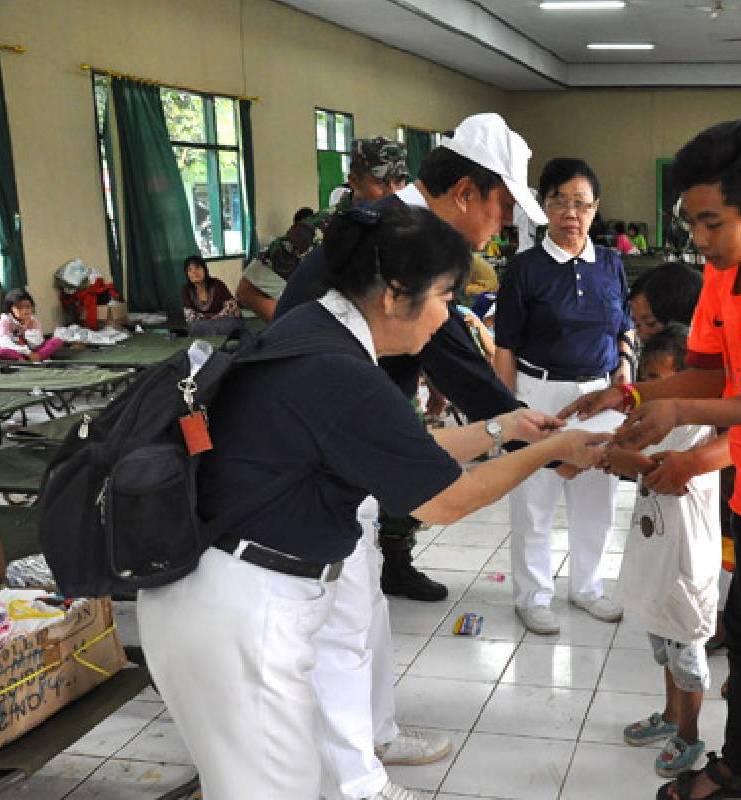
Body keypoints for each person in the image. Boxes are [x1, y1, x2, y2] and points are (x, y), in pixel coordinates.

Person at [137, 203, 608, 800]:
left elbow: (396, 449)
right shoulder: (339, 371)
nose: (447, 319)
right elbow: (446, 500)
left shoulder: (318, 329)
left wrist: (504, 427)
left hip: (231, 589)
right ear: (393, 294)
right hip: (239, 607)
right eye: (442, 298)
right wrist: (554, 448)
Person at [563, 119, 741, 800]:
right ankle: (737, 770)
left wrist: (677, 414)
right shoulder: (720, 274)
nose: (698, 239)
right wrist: (630, 391)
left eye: (712, 222)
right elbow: (711, 377)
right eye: (690, 222)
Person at [274, 114, 549, 800]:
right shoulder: (394, 239)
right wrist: (540, 444)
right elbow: (453, 366)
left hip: (350, 437)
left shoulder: (405, 230)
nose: (503, 227)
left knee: (362, 605)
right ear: (464, 192)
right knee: (340, 619)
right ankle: (354, 779)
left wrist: (522, 430)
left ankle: (375, 733)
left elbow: (451, 356)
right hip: (316, 455)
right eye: (502, 207)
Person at [493, 157, 634, 634]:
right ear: (543, 206)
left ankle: (587, 587)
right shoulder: (525, 269)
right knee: (535, 495)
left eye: (581, 203)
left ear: (595, 209)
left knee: (598, 494)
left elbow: (625, 330)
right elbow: (506, 345)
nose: (571, 213)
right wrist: (507, 410)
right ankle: (532, 596)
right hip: (539, 392)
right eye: (559, 202)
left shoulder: (611, 263)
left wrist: (625, 383)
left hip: (600, 395)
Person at [610, 323, 730, 779]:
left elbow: (658, 468)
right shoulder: (657, 418)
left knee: (686, 649)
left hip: (686, 557)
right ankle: (670, 714)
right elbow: (626, 446)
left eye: (664, 381)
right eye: (650, 380)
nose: (656, 391)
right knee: (663, 635)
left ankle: (690, 733)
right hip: (656, 552)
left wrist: (616, 453)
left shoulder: (693, 426)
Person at [237, 138, 409, 321]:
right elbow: (249, 291)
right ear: (353, 181)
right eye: (381, 183)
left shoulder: (409, 226)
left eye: (399, 181)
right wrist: (299, 333)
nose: (393, 192)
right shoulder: (315, 231)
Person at [180, 256, 240, 335]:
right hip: (202, 324)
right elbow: (189, 315)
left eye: (197, 268)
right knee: (194, 327)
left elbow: (231, 306)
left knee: (228, 324)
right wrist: (209, 320)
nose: (194, 272)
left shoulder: (217, 284)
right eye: (190, 270)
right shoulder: (186, 290)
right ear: (187, 274)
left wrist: (216, 318)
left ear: (204, 270)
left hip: (223, 321)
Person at [0, 289, 63, 361]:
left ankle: (37, 358)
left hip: (33, 351)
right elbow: (4, 342)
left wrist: (27, 329)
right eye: (20, 307)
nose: (25, 310)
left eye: (28, 306)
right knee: (2, 351)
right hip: (16, 350)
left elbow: (37, 343)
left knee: (57, 341)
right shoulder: (5, 320)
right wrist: (27, 352)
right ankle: (23, 359)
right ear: (11, 309)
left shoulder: (33, 320)